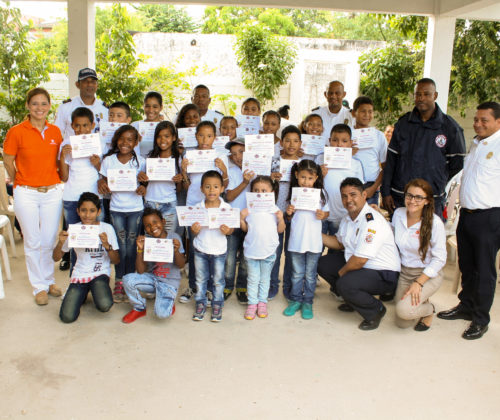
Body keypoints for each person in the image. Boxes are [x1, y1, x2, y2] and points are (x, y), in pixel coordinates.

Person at [438, 101, 500, 340]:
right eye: (477, 119)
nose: (478, 123)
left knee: (485, 270)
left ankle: (480, 319)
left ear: (497, 122)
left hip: (490, 217)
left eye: (484, 120)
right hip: (468, 214)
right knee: (468, 266)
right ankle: (465, 306)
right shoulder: (476, 143)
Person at [3, 87, 64, 305]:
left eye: (44, 103)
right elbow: (8, 160)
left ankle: (48, 281)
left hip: (52, 192)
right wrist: (18, 179)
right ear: (28, 106)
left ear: (49, 106)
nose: (40, 108)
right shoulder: (17, 131)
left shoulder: (55, 132)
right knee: (32, 241)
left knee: (48, 239)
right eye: (35, 103)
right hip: (26, 193)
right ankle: (38, 287)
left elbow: (59, 161)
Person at [318, 177, 400, 330]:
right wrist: (315, 233)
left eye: (353, 194)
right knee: (323, 264)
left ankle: (375, 310)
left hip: (383, 273)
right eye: (344, 196)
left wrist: (342, 273)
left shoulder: (372, 221)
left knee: (345, 282)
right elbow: (339, 243)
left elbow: (360, 260)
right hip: (363, 267)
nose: (348, 199)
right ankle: (353, 300)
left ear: (364, 195)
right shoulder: (348, 218)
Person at [381, 78, 466, 218]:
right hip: (400, 197)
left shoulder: (450, 127)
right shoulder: (403, 124)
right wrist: (386, 192)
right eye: (418, 94)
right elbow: (391, 161)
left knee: (427, 238)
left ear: (435, 96)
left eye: (426, 94)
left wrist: (436, 178)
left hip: (431, 199)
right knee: (399, 237)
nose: (421, 98)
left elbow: (456, 164)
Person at [178, 121, 228, 304]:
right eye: (201, 135)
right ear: (195, 136)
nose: (205, 139)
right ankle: (193, 286)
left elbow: (225, 186)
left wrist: (223, 170)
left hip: (214, 207)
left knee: (212, 246)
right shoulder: (188, 155)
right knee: (194, 247)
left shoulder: (221, 155)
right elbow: (185, 186)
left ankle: (208, 289)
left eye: (209, 136)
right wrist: (183, 170)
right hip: (194, 205)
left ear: (215, 137)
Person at [53, 193, 119, 323]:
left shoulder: (107, 228)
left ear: (99, 211)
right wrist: (60, 243)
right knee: (67, 317)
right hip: (80, 274)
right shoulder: (75, 230)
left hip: (100, 273)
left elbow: (116, 260)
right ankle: (82, 292)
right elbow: (55, 258)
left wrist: (107, 246)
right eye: (83, 210)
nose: (87, 215)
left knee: (105, 304)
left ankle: (96, 289)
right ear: (78, 211)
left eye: (92, 211)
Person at [98, 125, 146, 303]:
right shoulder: (109, 161)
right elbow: (102, 180)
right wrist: (101, 183)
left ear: (136, 142)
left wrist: (143, 186)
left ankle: (130, 281)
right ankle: (119, 280)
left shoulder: (141, 161)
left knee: (131, 245)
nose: (125, 143)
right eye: (122, 139)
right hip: (116, 208)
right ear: (116, 140)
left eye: (130, 139)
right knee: (120, 245)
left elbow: (145, 184)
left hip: (135, 209)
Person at [392, 179, 447, 331]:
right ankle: (421, 300)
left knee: (404, 311)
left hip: (427, 274)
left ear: (427, 201)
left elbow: (440, 258)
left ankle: (429, 309)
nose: (412, 201)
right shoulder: (398, 214)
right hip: (405, 272)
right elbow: (390, 236)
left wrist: (419, 283)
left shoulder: (435, 223)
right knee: (402, 323)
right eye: (409, 195)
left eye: (418, 197)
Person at [122, 208, 186, 323]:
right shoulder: (149, 242)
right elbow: (141, 271)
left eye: (155, 222)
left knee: (161, 314)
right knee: (127, 279)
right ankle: (139, 308)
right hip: (153, 279)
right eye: (147, 225)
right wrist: (140, 250)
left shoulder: (174, 237)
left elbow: (181, 265)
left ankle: (168, 301)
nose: (152, 227)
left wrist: (176, 251)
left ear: (163, 221)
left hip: (169, 283)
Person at [283, 160, 329, 320]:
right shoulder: (294, 194)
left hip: (314, 242)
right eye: (302, 177)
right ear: (296, 175)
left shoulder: (321, 194)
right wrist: (288, 212)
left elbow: (327, 212)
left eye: (310, 178)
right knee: (296, 274)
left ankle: (307, 301)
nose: (306, 182)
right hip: (296, 241)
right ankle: (295, 300)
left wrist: (323, 215)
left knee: (310, 275)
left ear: (316, 177)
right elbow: (289, 218)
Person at [58, 107, 102, 272]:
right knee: (75, 241)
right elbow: (64, 177)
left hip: (93, 198)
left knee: (94, 239)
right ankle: (75, 276)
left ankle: (95, 274)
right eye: (77, 126)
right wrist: (63, 157)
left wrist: (96, 163)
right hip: (72, 198)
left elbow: (103, 172)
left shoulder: (98, 143)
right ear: (72, 125)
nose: (81, 130)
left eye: (85, 125)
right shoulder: (66, 144)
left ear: (92, 125)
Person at [240, 176, 285, 320]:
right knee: (253, 279)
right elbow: (246, 229)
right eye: (256, 190)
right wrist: (241, 218)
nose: (260, 193)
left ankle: (262, 302)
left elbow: (280, 230)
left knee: (265, 279)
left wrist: (281, 219)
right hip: (252, 251)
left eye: (264, 191)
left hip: (269, 251)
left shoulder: (275, 210)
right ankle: (252, 304)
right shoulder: (248, 210)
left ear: (272, 192)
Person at [191, 171, 233, 322]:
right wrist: (193, 230)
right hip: (200, 249)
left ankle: (217, 304)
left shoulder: (226, 208)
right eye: (207, 187)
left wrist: (228, 230)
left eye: (215, 187)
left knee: (218, 280)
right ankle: (200, 303)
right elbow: (193, 228)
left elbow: (232, 228)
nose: (211, 190)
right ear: (202, 189)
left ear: (222, 188)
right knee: (200, 279)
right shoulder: (197, 207)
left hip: (219, 250)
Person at [269, 125, 303, 299]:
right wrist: (271, 177)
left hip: (295, 213)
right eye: (287, 140)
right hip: (276, 212)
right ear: (281, 142)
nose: (291, 144)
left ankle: (289, 286)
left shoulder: (302, 163)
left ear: (300, 143)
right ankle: (272, 284)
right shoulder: (275, 161)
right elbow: (265, 186)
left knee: (291, 251)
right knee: (275, 250)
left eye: (295, 141)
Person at [316, 124, 364, 236]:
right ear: (329, 141)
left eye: (344, 141)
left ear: (350, 143)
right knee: (317, 247)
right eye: (335, 140)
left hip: (342, 215)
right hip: (321, 213)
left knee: (337, 247)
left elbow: (359, 190)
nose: (339, 144)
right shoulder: (319, 159)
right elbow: (311, 185)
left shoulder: (356, 164)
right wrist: (319, 175)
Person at [137, 121, 183, 234]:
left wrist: (180, 180)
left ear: (173, 138)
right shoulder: (150, 157)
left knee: (168, 237)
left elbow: (179, 190)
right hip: (150, 203)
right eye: (159, 136)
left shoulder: (178, 159)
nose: (162, 140)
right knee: (150, 238)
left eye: (166, 136)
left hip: (169, 203)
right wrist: (141, 178)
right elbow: (144, 182)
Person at [224, 138, 254, 303]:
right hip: (233, 220)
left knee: (245, 258)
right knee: (229, 258)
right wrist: (245, 182)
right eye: (234, 154)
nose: (238, 157)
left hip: (252, 221)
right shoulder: (231, 172)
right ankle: (227, 286)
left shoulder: (258, 169)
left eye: (241, 152)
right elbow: (228, 196)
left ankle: (242, 287)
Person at [351, 96, 387, 205]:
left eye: (370, 112)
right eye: (363, 111)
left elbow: (385, 167)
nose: (367, 115)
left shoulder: (379, 136)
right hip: (351, 186)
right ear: (354, 113)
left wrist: (374, 187)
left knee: (369, 221)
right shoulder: (347, 135)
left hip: (371, 188)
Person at [54, 68, 108, 139]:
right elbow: (56, 134)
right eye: (85, 81)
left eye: (93, 81)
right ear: (77, 85)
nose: (90, 85)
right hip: (72, 149)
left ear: (97, 85)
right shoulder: (66, 107)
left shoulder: (105, 109)